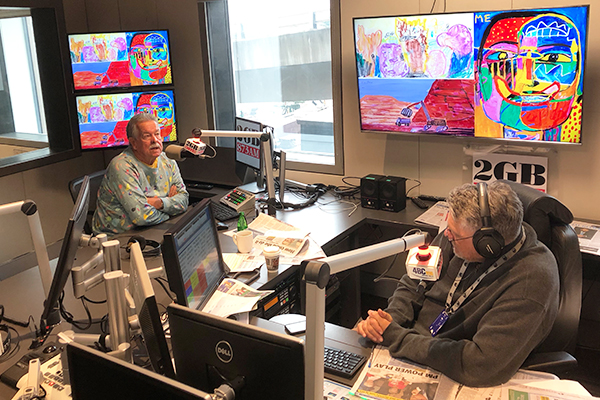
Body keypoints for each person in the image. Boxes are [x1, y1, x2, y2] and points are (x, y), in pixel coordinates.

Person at [355, 181, 559, 387]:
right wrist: (388, 320)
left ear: (487, 244)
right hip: (411, 344)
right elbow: (415, 279)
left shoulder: (530, 282)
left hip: (450, 365)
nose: (446, 235)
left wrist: (395, 336)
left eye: (455, 235)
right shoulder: (457, 234)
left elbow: (480, 365)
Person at [92, 113, 188, 235]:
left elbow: (184, 200)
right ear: (134, 143)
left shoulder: (168, 160)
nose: (155, 140)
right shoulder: (122, 166)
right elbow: (142, 217)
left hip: (154, 228)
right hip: (119, 237)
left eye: (157, 134)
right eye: (147, 136)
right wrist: (170, 209)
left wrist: (158, 203)